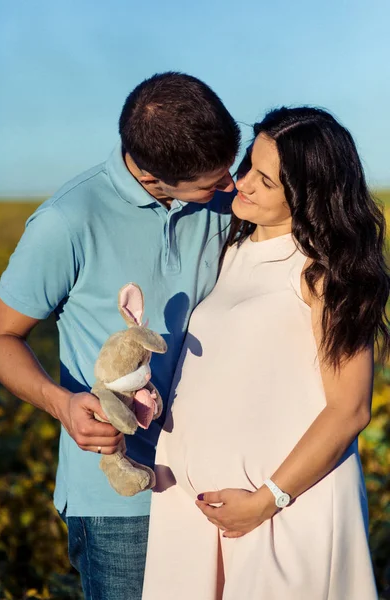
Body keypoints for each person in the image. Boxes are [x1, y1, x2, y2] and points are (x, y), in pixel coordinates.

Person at [0, 72, 240, 600]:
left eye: (229, 172)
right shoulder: (66, 221)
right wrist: (62, 404)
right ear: (153, 176)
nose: (230, 189)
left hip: (218, 484)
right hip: (120, 501)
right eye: (212, 184)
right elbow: (0, 337)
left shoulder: (226, 202)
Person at [142, 106, 389, 600]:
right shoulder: (230, 252)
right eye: (248, 165)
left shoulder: (323, 274)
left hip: (285, 512)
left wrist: (267, 500)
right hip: (197, 517)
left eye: (266, 181)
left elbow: (350, 409)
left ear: (308, 196)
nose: (243, 184)